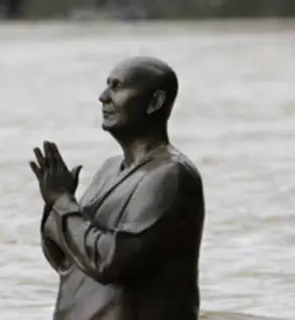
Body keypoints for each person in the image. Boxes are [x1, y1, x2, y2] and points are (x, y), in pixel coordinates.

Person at [29, 56, 205, 320]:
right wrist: (54, 202)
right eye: (106, 86)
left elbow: (110, 262)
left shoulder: (170, 175)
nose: (103, 97)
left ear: (155, 102)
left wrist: (64, 203)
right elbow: (66, 261)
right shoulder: (109, 170)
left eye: (117, 86)